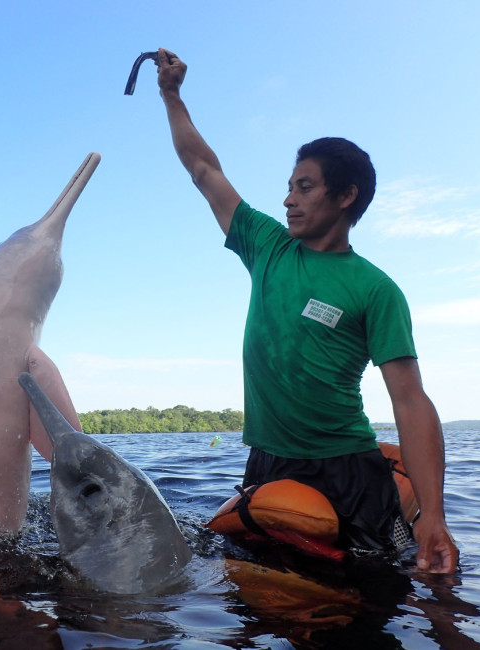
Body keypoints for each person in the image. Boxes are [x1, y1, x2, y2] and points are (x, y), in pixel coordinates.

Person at [155, 48, 458, 573]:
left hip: (345, 468)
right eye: (289, 186)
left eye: (304, 186)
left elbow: (409, 400)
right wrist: (171, 94)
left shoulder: (375, 288)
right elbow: (203, 168)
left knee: (375, 599)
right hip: (268, 461)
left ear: (345, 196)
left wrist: (434, 514)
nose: (289, 199)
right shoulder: (267, 247)